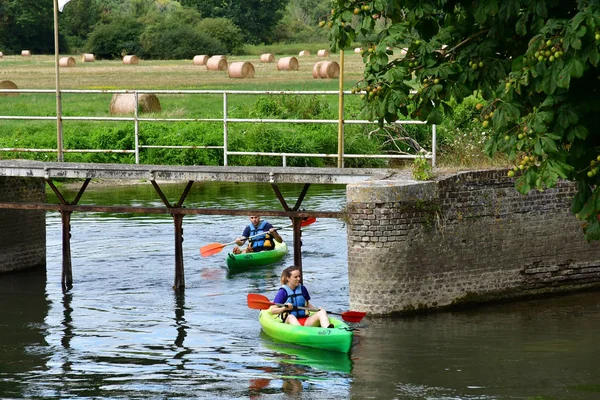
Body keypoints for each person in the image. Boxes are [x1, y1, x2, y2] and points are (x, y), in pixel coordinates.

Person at [268, 265, 333, 328]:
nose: (298, 279)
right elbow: (273, 310)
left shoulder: (303, 289)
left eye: (299, 276)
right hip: (289, 323)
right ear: (288, 278)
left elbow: (307, 305)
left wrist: (317, 310)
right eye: (295, 277)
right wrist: (284, 308)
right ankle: (301, 332)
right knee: (291, 317)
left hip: (305, 320)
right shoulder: (282, 292)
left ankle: (328, 330)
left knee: (322, 312)